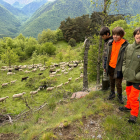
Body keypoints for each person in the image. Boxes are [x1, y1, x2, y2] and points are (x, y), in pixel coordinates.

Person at [119, 27, 140, 123]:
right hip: (128, 76)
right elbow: (124, 60)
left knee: (133, 97)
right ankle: (128, 106)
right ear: (134, 35)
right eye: (137, 33)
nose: (138, 35)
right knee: (128, 92)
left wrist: (137, 76)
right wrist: (124, 69)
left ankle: (134, 114)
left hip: (137, 79)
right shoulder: (129, 47)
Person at [104, 27, 128, 104]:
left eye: (117, 35)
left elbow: (127, 58)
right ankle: (112, 93)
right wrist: (105, 66)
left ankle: (119, 96)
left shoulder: (125, 45)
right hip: (110, 66)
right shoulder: (110, 43)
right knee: (111, 82)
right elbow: (107, 56)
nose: (115, 36)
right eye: (114, 34)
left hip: (119, 68)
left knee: (118, 84)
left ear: (122, 35)